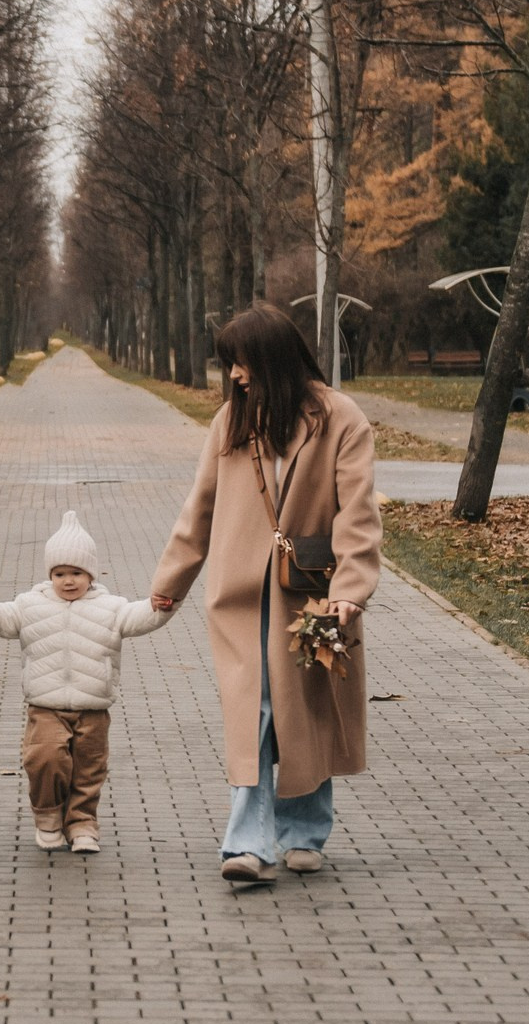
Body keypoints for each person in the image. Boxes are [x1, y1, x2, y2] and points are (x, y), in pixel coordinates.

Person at [150, 303, 382, 886]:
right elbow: (199, 508)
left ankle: (304, 830)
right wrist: (168, 585)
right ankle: (249, 843)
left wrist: (352, 589)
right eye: (230, 364)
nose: (233, 374)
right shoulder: (231, 421)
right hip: (239, 595)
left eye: (241, 362)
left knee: (305, 709)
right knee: (252, 712)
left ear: (272, 360)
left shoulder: (340, 418)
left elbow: (359, 511)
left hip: (313, 593)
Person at [0, 510, 171, 854]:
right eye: (60, 573)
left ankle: (82, 823)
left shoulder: (111, 607)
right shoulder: (31, 604)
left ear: (90, 573)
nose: (68, 581)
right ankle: (48, 818)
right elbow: (3, 620)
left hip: (93, 708)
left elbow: (141, 617)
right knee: (45, 758)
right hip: (45, 706)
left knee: (88, 770)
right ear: (50, 574)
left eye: (76, 572)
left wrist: (161, 606)